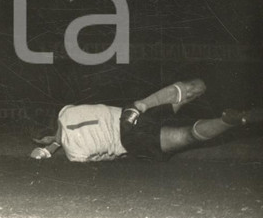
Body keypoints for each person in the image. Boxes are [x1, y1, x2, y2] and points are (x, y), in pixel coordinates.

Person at [29, 79, 262, 162]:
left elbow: (96, 156)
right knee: (194, 87)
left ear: (46, 138)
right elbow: (60, 131)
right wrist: (50, 147)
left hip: (130, 139)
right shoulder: (65, 111)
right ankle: (158, 99)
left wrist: (46, 151)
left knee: (187, 136)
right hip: (130, 113)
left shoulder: (74, 154)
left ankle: (227, 121)